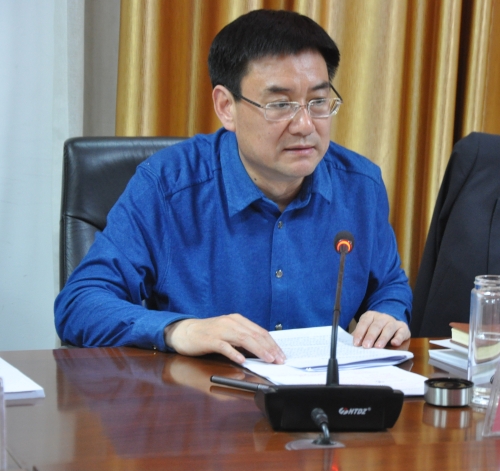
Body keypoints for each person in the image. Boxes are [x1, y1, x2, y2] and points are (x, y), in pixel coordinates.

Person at [55, 9, 412, 365]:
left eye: (318, 102)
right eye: (281, 104)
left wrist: (388, 312)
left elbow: (388, 286)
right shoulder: (167, 186)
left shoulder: (360, 185)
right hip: (199, 394)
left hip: (321, 395)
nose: (305, 125)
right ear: (226, 107)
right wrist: (179, 329)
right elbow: (80, 303)